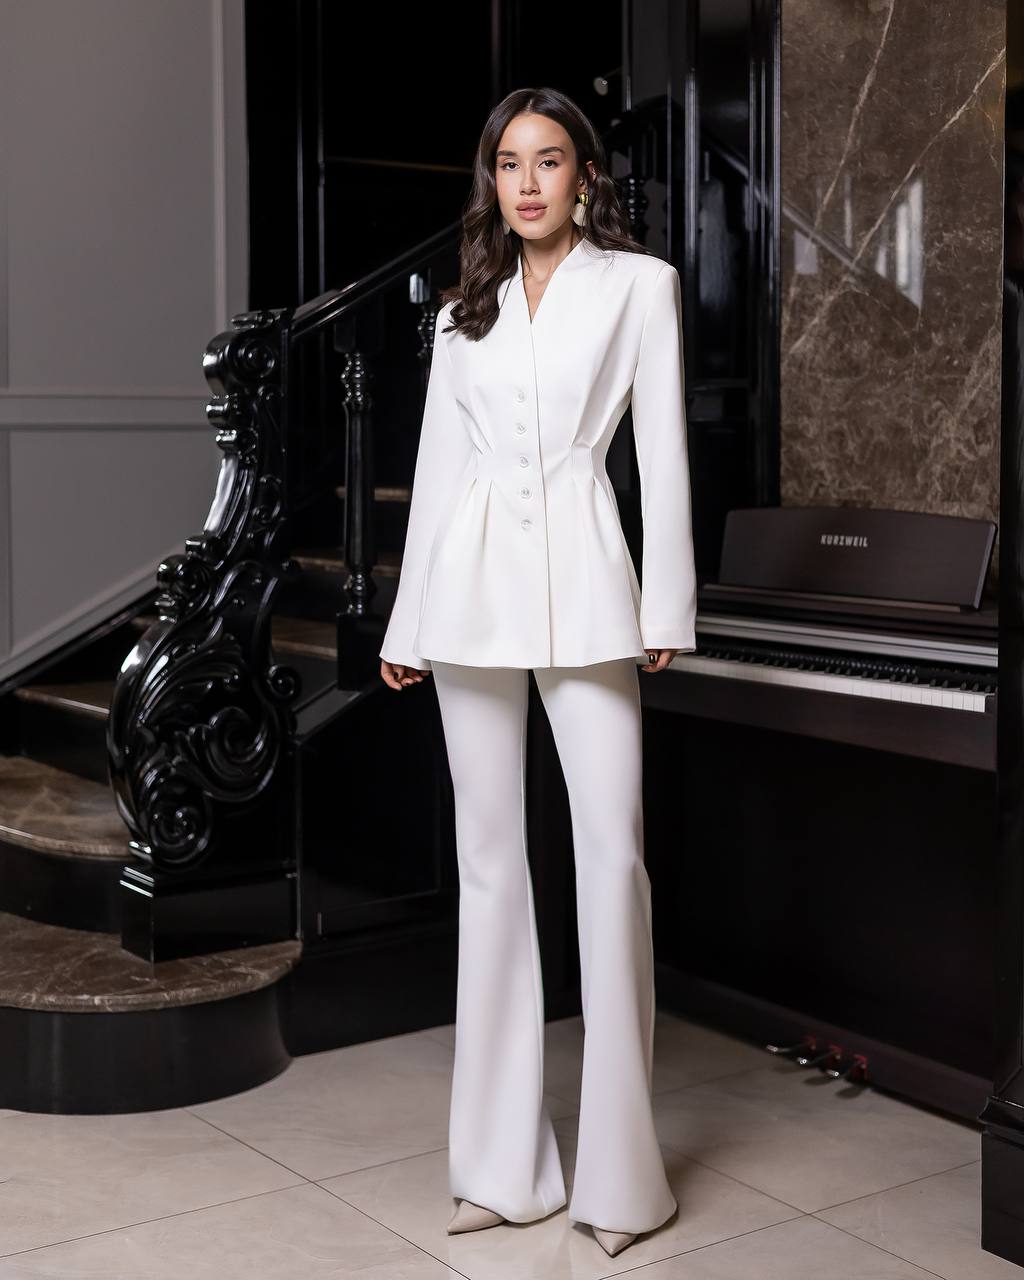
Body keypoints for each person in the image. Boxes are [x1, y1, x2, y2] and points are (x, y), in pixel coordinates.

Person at [379, 85, 696, 1258]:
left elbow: (658, 456)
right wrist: (407, 621)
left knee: (610, 863)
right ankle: (504, 1168)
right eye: (507, 162)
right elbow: (438, 475)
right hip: (467, 603)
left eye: (547, 161)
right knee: (489, 868)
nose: (525, 182)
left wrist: (665, 602)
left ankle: (624, 1180)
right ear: (492, 182)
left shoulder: (638, 286)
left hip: (589, 597)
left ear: (583, 177)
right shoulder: (466, 315)